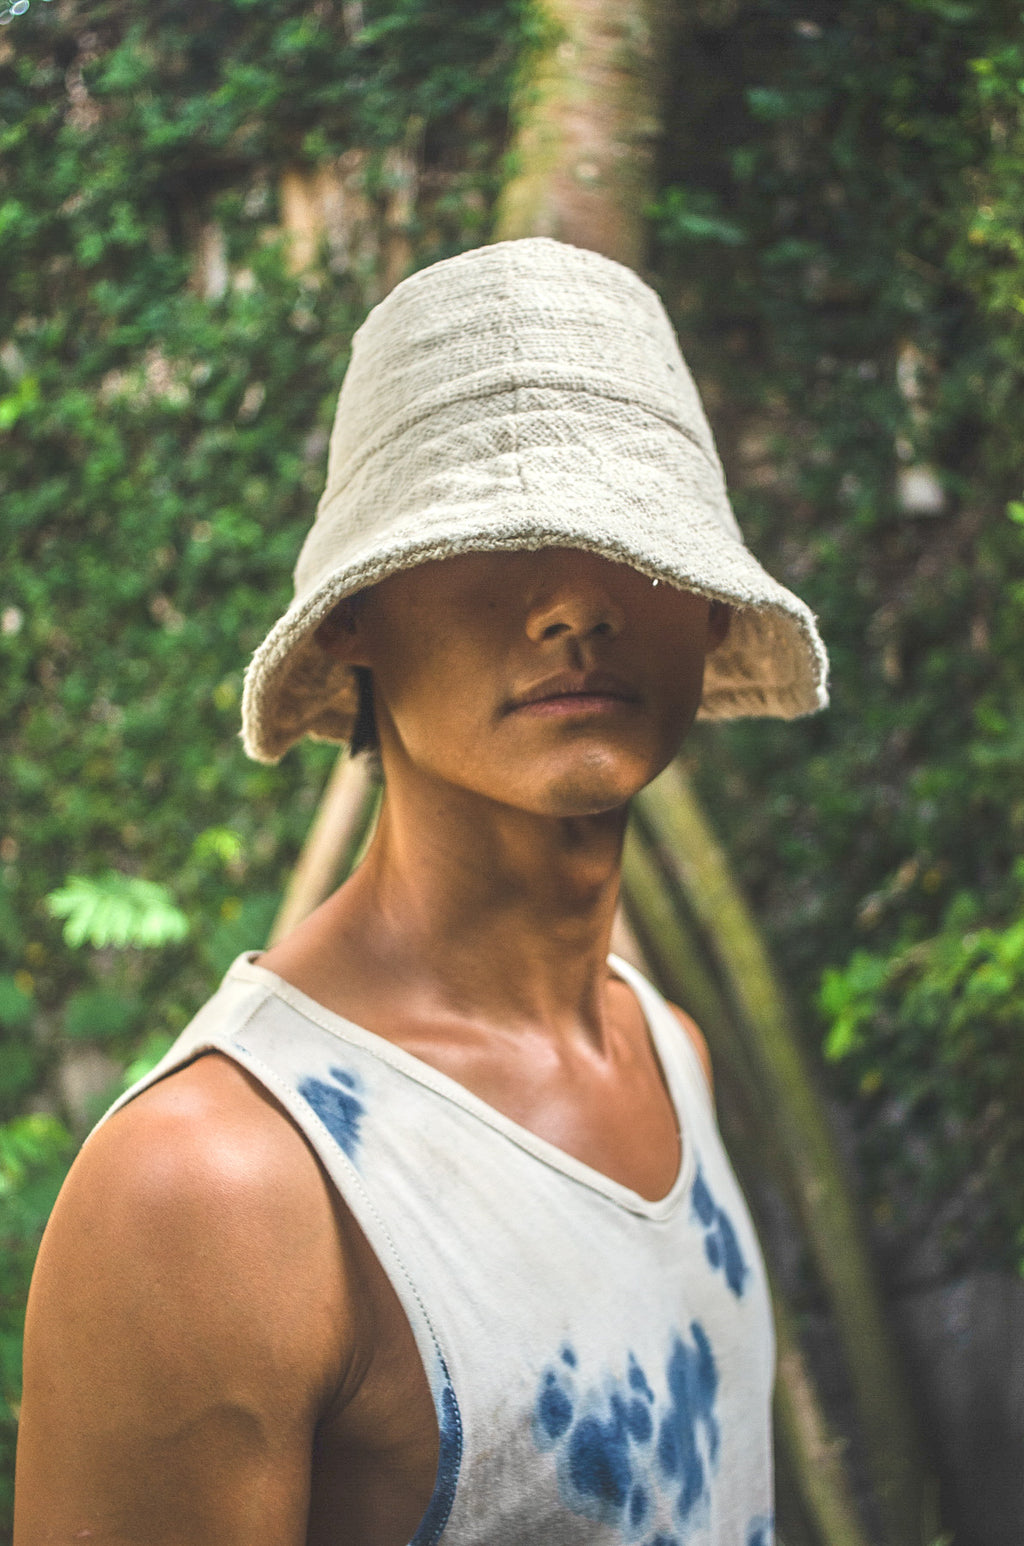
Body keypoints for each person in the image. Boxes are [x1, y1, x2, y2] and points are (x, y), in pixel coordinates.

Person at [14, 238, 827, 1546]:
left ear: (715, 612)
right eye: (496, 540)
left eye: (633, 536)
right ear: (353, 616)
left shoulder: (669, 1055)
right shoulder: (219, 1192)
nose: (576, 600)